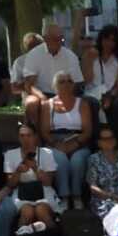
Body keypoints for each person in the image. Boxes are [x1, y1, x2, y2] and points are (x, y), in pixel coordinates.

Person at [43, 70, 95, 209]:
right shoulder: (48, 105)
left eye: (69, 81)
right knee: (60, 160)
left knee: (77, 160)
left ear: (73, 85)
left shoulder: (82, 103)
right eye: (62, 81)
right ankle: (64, 197)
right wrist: (55, 144)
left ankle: (77, 196)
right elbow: (44, 131)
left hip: (79, 140)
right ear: (55, 86)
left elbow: (88, 130)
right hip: (55, 142)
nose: (66, 84)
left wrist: (76, 143)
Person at [18, 24, 82, 131]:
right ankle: (35, 139)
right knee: (31, 103)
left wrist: (64, 96)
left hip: (64, 92)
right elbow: (29, 85)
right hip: (40, 93)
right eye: (55, 38)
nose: (59, 41)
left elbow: (77, 83)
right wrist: (43, 98)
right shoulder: (34, 55)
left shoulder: (70, 56)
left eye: (60, 38)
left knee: (89, 102)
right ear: (45, 39)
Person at [4, 122, 62, 235]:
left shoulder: (46, 153)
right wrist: (18, 172)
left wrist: (35, 168)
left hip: (44, 192)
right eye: (22, 136)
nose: (25, 139)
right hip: (21, 193)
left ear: (35, 136)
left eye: (29, 135)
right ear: (18, 137)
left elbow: (48, 182)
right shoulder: (10, 154)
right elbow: (10, 184)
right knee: (27, 211)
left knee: (41, 210)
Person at [84, 25, 118, 143]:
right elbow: (87, 80)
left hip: (113, 92)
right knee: (92, 104)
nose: (109, 43)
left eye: (113, 40)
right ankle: (95, 144)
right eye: (106, 39)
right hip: (92, 92)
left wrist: (111, 96)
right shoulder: (90, 54)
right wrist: (91, 60)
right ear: (101, 39)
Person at [85, 124, 118, 220]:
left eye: (111, 138)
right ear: (98, 142)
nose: (109, 141)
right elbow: (93, 187)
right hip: (104, 199)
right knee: (115, 212)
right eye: (104, 139)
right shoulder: (94, 159)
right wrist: (113, 197)